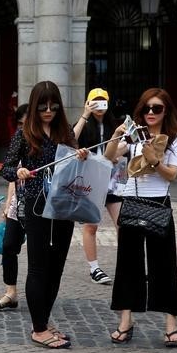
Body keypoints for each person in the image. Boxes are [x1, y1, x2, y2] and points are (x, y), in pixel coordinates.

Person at [0, 81, 88, 349]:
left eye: (53, 106)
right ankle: (39, 329)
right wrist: (19, 172)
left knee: (56, 268)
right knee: (38, 267)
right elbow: (6, 168)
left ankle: (45, 320)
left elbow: (73, 163)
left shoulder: (65, 133)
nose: (48, 111)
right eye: (42, 106)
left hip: (64, 206)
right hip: (37, 207)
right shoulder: (25, 134)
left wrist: (81, 155)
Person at [104, 88, 177, 347]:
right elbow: (109, 158)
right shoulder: (135, 137)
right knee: (128, 264)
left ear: (166, 111)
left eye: (157, 108)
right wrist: (117, 136)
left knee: (164, 265)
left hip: (159, 204)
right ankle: (126, 321)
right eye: (147, 108)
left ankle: (171, 323)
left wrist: (155, 160)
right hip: (131, 202)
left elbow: (171, 175)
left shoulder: (175, 140)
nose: (151, 113)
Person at [72, 87, 126, 285]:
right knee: (91, 226)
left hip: (113, 181)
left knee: (123, 223)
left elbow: (126, 145)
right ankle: (94, 268)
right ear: (88, 103)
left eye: (102, 101)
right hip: (91, 179)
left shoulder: (115, 124)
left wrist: (118, 150)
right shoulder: (84, 125)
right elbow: (70, 141)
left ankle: (126, 265)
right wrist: (85, 115)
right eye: (94, 102)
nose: (99, 106)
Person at [0, 104, 28, 310]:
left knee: (41, 253)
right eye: (20, 124)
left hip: (39, 204)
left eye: (26, 123)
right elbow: (12, 176)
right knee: (8, 246)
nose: (23, 127)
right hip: (18, 202)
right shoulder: (19, 140)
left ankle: (39, 292)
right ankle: (11, 292)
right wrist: (8, 203)